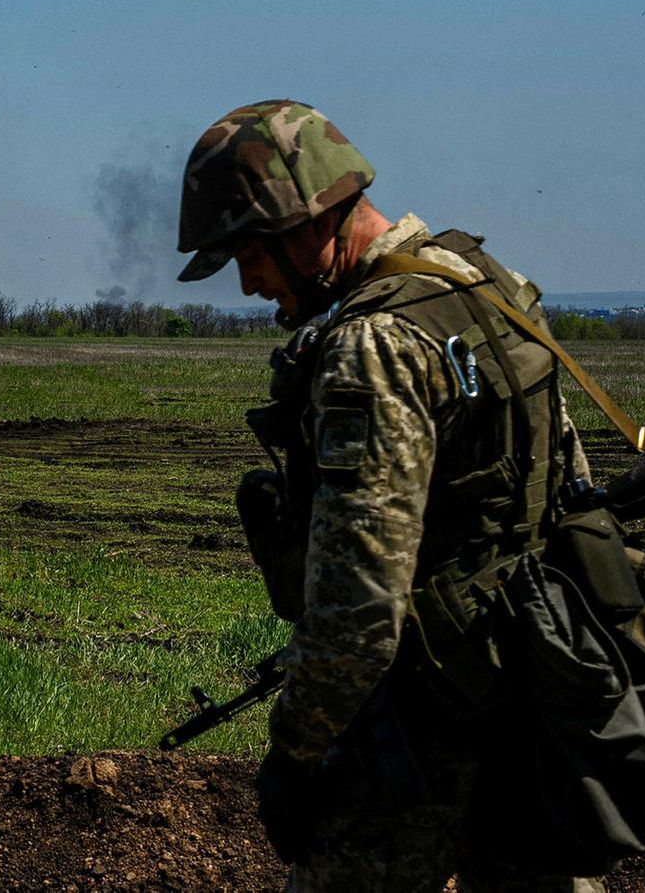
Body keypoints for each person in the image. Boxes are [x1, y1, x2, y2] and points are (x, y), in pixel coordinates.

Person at [176, 100, 607, 892]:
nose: (248, 282)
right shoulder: (485, 281)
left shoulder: (373, 344)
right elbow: (565, 479)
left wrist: (296, 751)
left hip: (429, 719)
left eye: (250, 252)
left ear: (312, 221)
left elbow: (358, 603)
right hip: (539, 686)